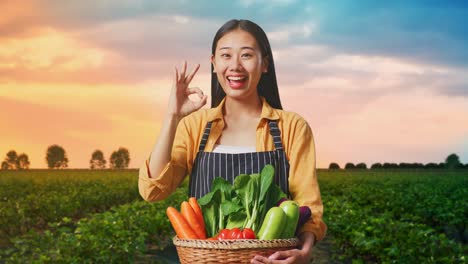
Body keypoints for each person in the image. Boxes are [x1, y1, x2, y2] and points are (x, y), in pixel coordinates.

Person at [139, 19, 327, 264]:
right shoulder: (195, 126)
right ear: (214, 64)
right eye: (226, 56)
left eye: (247, 55)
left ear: (265, 64)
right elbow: (153, 190)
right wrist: (172, 115)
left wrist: (304, 252)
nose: (235, 66)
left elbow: (307, 205)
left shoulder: (291, 127)